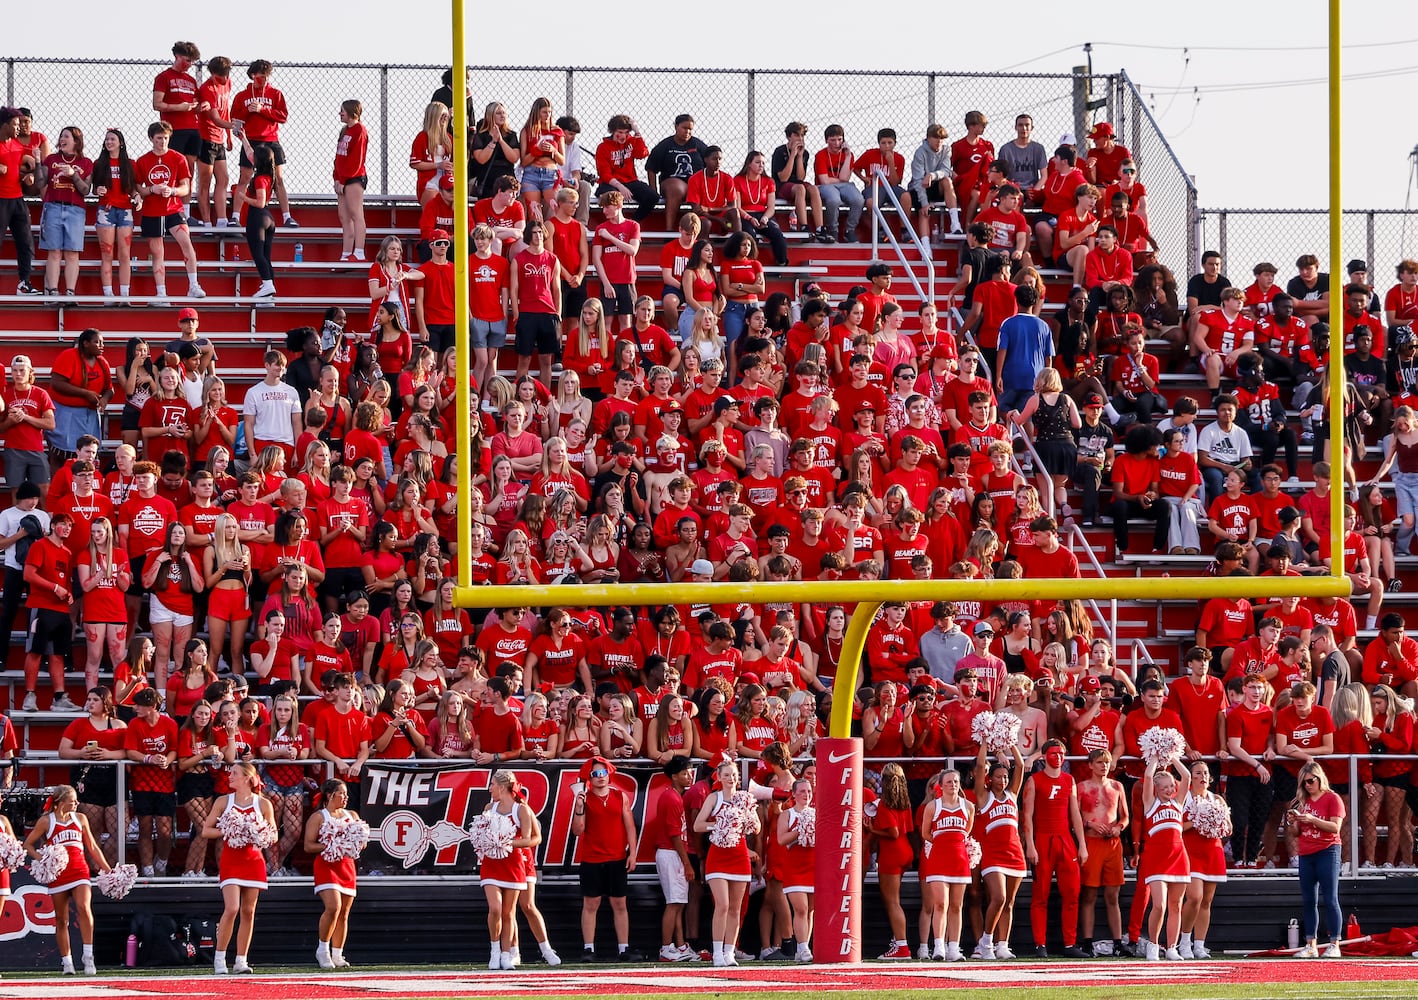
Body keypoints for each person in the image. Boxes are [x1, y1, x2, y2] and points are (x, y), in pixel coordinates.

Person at [22, 783, 113, 975]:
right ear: (61, 802)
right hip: (58, 874)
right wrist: (44, 859)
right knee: (61, 919)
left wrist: (108, 870)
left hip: (80, 870)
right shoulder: (46, 822)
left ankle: (88, 957)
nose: (77, 803)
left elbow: (93, 847)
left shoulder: (80, 818)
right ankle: (67, 963)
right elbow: (28, 844)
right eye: (73, 801)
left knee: (84, 908)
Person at [201, 761, 276, 975]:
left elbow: (273, 834)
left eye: (234, 773)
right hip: (231, 860)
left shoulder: (263, 804)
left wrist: (258, 833)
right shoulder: (223, 801)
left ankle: (241, 961)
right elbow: (206, 830)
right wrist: (230, 830)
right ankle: (219, 958)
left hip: (254, 861)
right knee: (232, 908)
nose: (229, 776)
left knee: (248, 911)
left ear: (247, 778)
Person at [1021, 739, 1089, 958]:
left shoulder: (1069, 780)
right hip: (1042, 839)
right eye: (1053, 753)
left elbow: (1075, 815)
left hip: (1065, 839)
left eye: (1061, 754)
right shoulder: (1034, 781)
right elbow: (1027, 816)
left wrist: (1082, 845)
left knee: (1072, 893)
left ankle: (1070, 944)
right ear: (1043, 756)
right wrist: (1030, 845)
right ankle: (1040, 944)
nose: (1058, 757)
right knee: (1040, 895)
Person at [572, 754, 638, 961]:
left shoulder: (620, 796)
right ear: (589, 778)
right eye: (595, 774)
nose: (600, 777)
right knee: (591, 904)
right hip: (591, 858)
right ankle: (589, 949)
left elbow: (630, 826)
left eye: (603, 773)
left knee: (620, 903)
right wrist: (579, 808)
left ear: (609, 775)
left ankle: (623, 949)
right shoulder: (586, 798)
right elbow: (577, 831)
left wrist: (632, 853)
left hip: (617, 857)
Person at [478, 769, 541, 970]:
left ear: (502, 787)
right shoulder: (489, 807)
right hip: (491, 864)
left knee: (508, 912)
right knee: (495, 908)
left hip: (513, 863)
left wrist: (506, 842)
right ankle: (494, 950)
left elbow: (530, 838)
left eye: (493, 784)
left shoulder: (521, 809)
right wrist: (484, 841)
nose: (490, 788)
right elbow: (480, 832)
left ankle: (507, 955)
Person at [135, 121, 204, 304]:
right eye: (159, 138)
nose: (162, 142)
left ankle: (194, 285)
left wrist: (172, 191)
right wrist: (152, 190)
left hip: (173, 209)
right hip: (152, 211)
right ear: (151, 139)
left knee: (186, 243)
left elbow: (185, 187)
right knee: (158, 253)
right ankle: (161, 293)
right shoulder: (143, 161)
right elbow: (138, 188)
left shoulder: (178, 158)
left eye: (165, 138)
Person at [973, 741, 1026, 960]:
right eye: (998, 776)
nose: (1003, 780)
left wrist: (1011, 743)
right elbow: (978, 767)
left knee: (1009, 902)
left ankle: (1003, 944)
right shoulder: (984, 797)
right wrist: (985, 744)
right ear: (990, 779)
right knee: (999, 897)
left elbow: (1021, 766)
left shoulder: (1013, 794)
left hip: (1015, 854)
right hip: (993, 854)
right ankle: (986, 941)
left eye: (1005, 776)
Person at [303, 778, 361, 968]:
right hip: (326, 864)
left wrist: (352, 843)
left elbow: (362, 842)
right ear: (330, 795)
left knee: (344, 912)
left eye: (345, 794)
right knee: (333, 907)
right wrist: (331, 845)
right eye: (341, 793)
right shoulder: (319, 817)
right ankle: (323, 949)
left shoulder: (351, 815)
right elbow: (308, 846)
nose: (345, 797)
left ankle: (338, 954)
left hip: (346, 865)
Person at [1290, 761, 1346, 957]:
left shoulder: (1332, 798)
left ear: (1319, 779)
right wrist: (1293, 822)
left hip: (1327, 850)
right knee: (1308, 900)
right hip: (1306, 852)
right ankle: (1310, 944)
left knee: (1330, 897)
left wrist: (1312, 819)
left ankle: (1334, 943)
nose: (1308, 785)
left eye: (1311, 781)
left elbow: (1335, 827)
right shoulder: (1301, 801)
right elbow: (1297, 832)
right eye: (1304, 783)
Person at [230, 60, 295, 227]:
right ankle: (235, 217)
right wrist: (248, 111)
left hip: (271, 140)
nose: (264, 80)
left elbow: (283, 116)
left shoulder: (275, 94)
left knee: (278, 178)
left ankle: (287, 216)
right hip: (251, 140)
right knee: (244, 177)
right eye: (260, 76)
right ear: (253, 76)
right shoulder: (242, 96)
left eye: (266, 76)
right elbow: (235, 119)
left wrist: (263, 109)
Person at [919, 767, 975, 961]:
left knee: (957, 905)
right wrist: (942, 843)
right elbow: (925, 833)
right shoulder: (932, 807)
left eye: (956, 782)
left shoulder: (968, 807)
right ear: (941, 785)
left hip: (959, 859)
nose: (953, 785)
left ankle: (954, 948)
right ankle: (939, 947)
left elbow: (967, 831)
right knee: (940, 903)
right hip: (938, 858)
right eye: (949, 782)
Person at [1139, 757, 1192, 961]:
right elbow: (1148, 775)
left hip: (1179, 857)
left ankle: (1172, 948)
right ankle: (1153, 945)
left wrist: (1173, 757)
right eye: (1165, 787)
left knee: (1176, 905)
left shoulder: (1178, 803)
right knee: (1159, 905)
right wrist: (1154, 757)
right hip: (1156, 858)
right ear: (1156, 788)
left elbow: (1186, 776)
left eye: (1171, 786)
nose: (1170, 790)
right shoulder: (1150, 804)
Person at [650, 755, 698, 961]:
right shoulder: (671, 797)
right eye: (684, 773)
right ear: (674, 776)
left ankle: (679, 946)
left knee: (678, 901)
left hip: (672, 853)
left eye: (689, 772)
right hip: (671, 853)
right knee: (674, 903)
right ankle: (666, 947)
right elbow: (674, 835)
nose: (689, 776)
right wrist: (687, 863)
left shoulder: (674, 796)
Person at [1179, 760, 1229, 959]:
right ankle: (1184, 941)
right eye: (1198, 773)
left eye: (1206, 773)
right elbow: (1177, 827)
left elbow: (1229, 828)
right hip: (1191, 852)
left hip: (1212, 851)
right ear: (1190, 778)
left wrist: (1218, 822)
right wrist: (1197, 820)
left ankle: (1199, 945)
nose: (1203, 777)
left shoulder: (1217, 799)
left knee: (1206, 901)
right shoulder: (1183, 799)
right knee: (1195, 897)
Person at [37, 125, 92, 297]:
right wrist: (38, 161)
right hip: (53, 206)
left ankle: (70, 291)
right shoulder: (52, 159)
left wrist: (73, 174)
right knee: (53, 251)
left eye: (66, 136)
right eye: (61, 136)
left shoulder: (86, 162)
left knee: (72, 253)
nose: (62, 139)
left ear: (76, 141)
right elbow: (40, 183)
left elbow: (85, 190)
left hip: (75, 210)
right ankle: (52, 290)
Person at [92, 128, 138, 303]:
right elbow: (94, 188)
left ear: (120, 142)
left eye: (112, 139)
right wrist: (98, 190)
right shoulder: (99, 163)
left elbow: (133, 187)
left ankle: (125, 294)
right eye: (106, 139)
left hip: (125, 210)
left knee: (125, 254)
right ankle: (108, 294)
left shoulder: (130, 164)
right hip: (106, 210)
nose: (109, 142)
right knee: (107, 254)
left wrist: (136, 196)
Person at [0, 107, 42, 294]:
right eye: (15, 124)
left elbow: (31, 164)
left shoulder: (17, 145)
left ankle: (24, 283)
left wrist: (29, 176)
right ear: (5, 125)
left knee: (26, 242)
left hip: (17, 200)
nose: (19, 128)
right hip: (1, 201)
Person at [648, 114, 710, 232]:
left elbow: (710, 162)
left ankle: (698, 231)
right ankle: (669, 230)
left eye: (690, 129)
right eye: (684, 128)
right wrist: (653, 190)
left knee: (698, 191)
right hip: (672, 182)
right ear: (676, 127)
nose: (687, 131)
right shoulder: (665, 145)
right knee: (676, 188)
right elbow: (651, 168)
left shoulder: (698, 145)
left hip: (695, 184)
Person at [194, 56, 234, 229]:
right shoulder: (207, 89)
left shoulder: (227, 83)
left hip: (220, 139)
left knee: (223, 179)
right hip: (206, 137)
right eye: (220, 77)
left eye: (226, 75)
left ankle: (222, 219)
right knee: (205, 181)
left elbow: (226, 110)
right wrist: (234, 126)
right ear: (212, 74)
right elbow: (216, 118)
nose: (224, 79)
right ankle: (207, 222)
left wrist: (229, 134)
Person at [239, 133, 278, 300]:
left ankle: (268, 283)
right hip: (268, 217)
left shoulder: (260, 179)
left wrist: (243, 197)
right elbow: (250, 154)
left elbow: (260, 202)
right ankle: (269, 290)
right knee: (266, 256)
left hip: (258, 216)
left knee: (258, 254)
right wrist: (244, 138)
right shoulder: (269, 174)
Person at [595, 114, 655, 222]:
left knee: (652, 197)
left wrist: (637, 132)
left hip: (630, 180)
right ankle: (614, 224)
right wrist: (620, 186)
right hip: (611, 183)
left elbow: (642, 153)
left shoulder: (631, 141)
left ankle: (632, 222)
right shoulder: (603, 147)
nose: (623, 136)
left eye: (626, 132)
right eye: (620, 132)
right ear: (613, 131)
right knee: (612, 198)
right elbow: (604, 174)